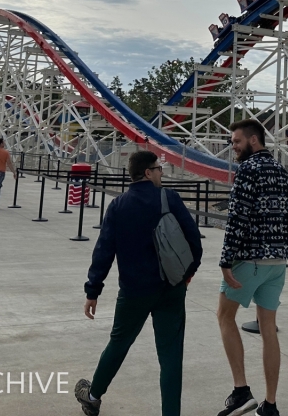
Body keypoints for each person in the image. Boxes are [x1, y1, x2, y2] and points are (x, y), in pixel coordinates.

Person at [74, 151, 203, 416]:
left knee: (119, 343)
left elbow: (104, 251)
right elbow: (195, 244)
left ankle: (94, 396)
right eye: (158, 169)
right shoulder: (170, 198)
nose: (161, 173)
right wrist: (186, 276)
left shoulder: (119, 205)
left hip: (134, 291)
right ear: (147, 172)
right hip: (171, 289)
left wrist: (93, 290)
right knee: (170, 356)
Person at [215, 119, 288, 416]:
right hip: (278, 262)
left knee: (225, 316)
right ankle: (270, 404)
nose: (233, 147)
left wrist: (226, 260)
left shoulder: (247, 170)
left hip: (250, 259)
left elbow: (237, 219)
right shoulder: (282, 171)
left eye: (236, 141)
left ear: (253, 140)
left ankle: (241, 391)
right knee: (268, 330)